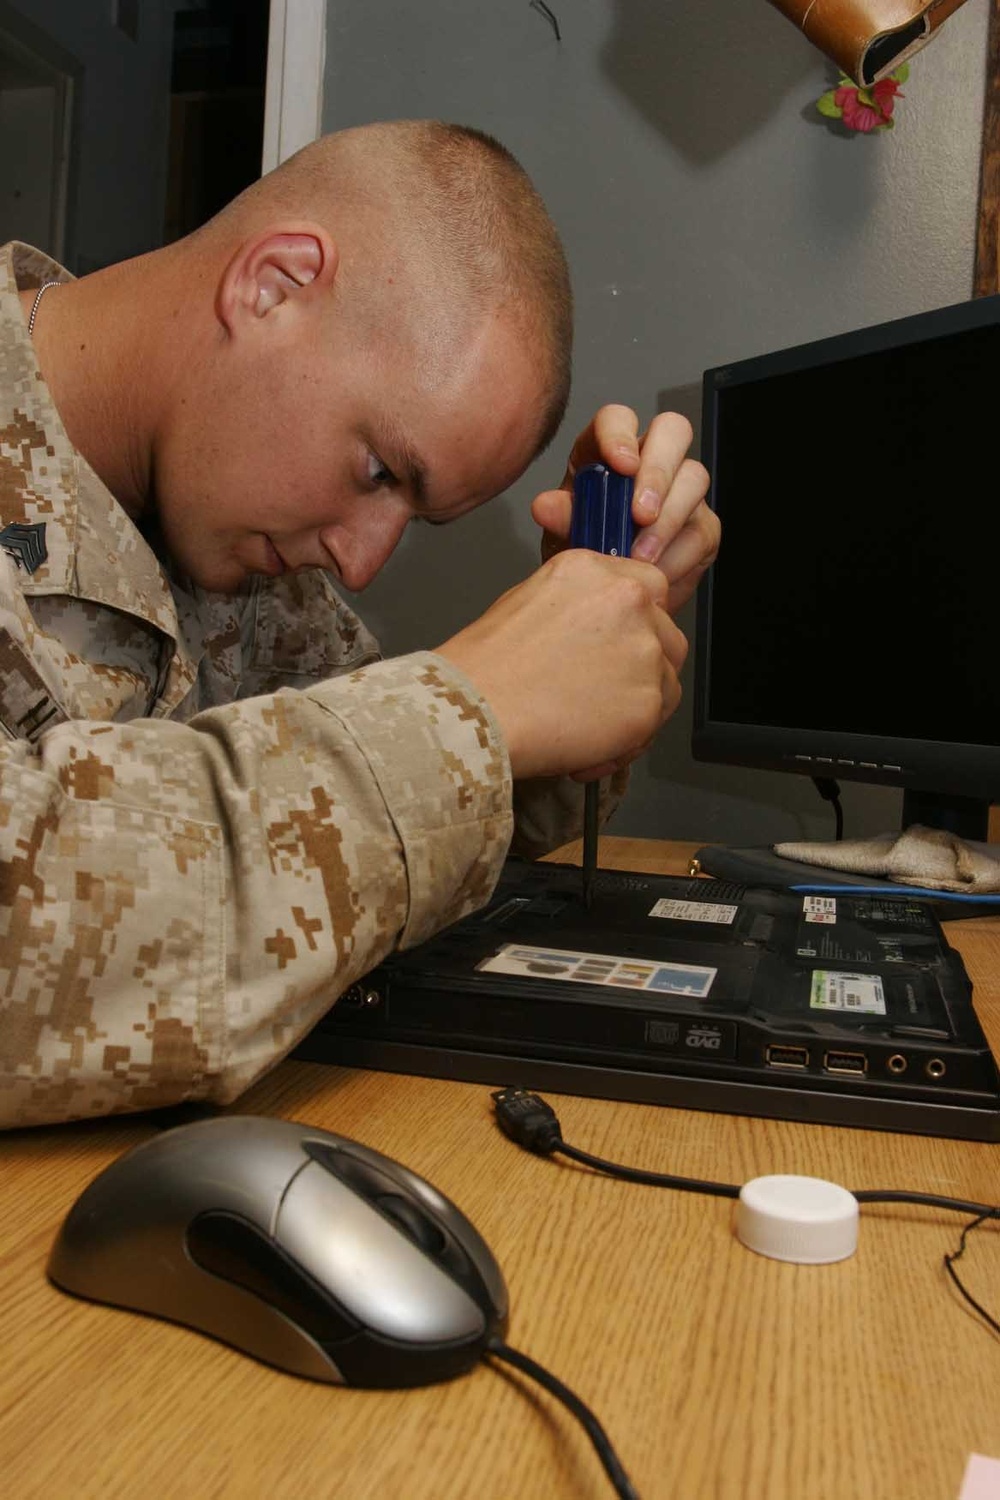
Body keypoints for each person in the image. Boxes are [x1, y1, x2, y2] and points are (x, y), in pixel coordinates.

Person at [0, 120, 717, 1128]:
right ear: (275, 284)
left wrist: (583, 635)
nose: (363, 560)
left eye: (410, 517)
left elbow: (377, 874)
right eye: (381, 471)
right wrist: (470, 711)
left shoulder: (258, 567)